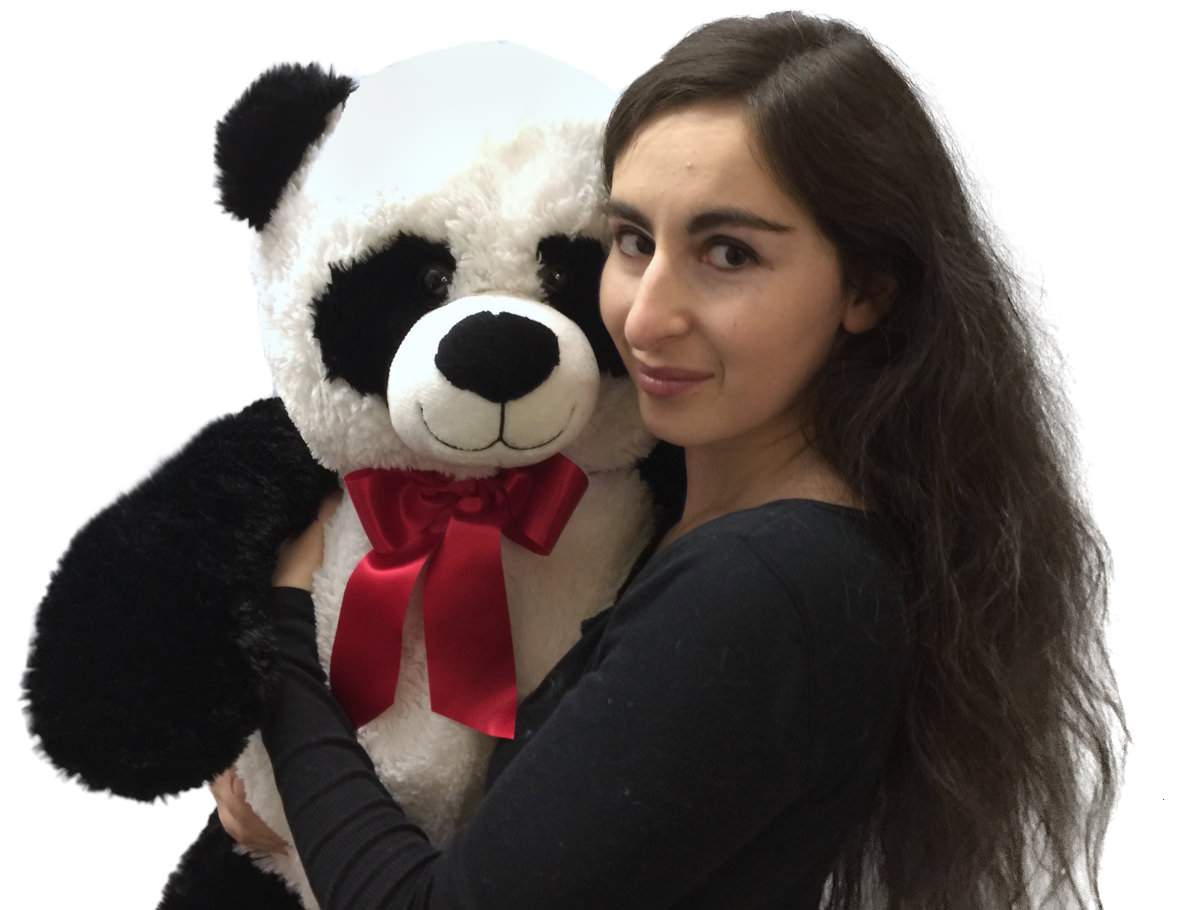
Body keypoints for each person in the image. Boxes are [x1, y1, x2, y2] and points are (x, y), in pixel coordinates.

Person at [211, 12, 1128, 909]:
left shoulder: (768, 587)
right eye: (633, 240)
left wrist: (284, 650)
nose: (646, 317)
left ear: (867, 286)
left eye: (728, 253)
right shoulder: (690, 514)